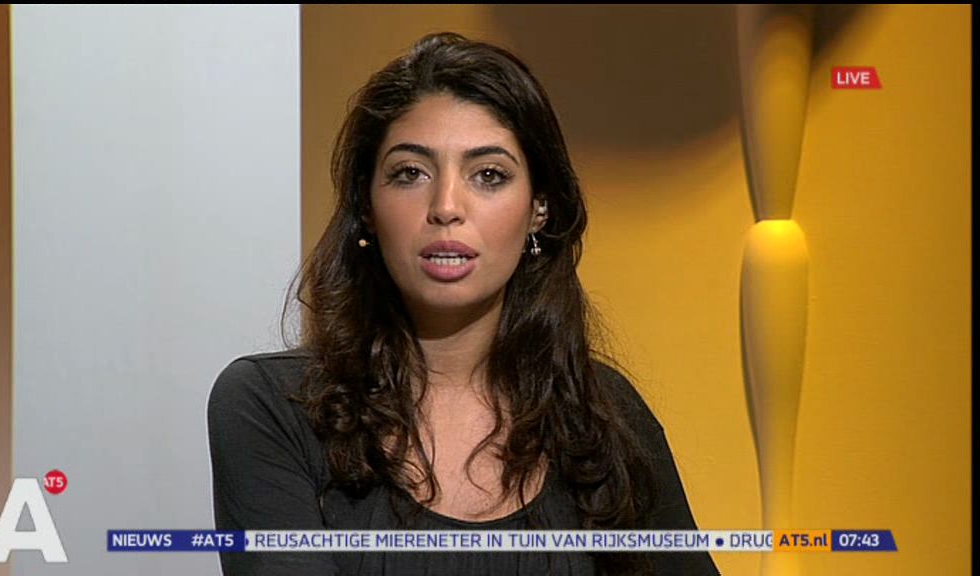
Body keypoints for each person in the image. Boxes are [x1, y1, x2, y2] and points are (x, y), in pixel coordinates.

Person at [207, 32, 720, 576]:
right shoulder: (270, 406)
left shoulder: (603, 413)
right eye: (410, 173)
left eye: (489, 175)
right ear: (367, 205)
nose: (446, 207)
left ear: (539, 208)